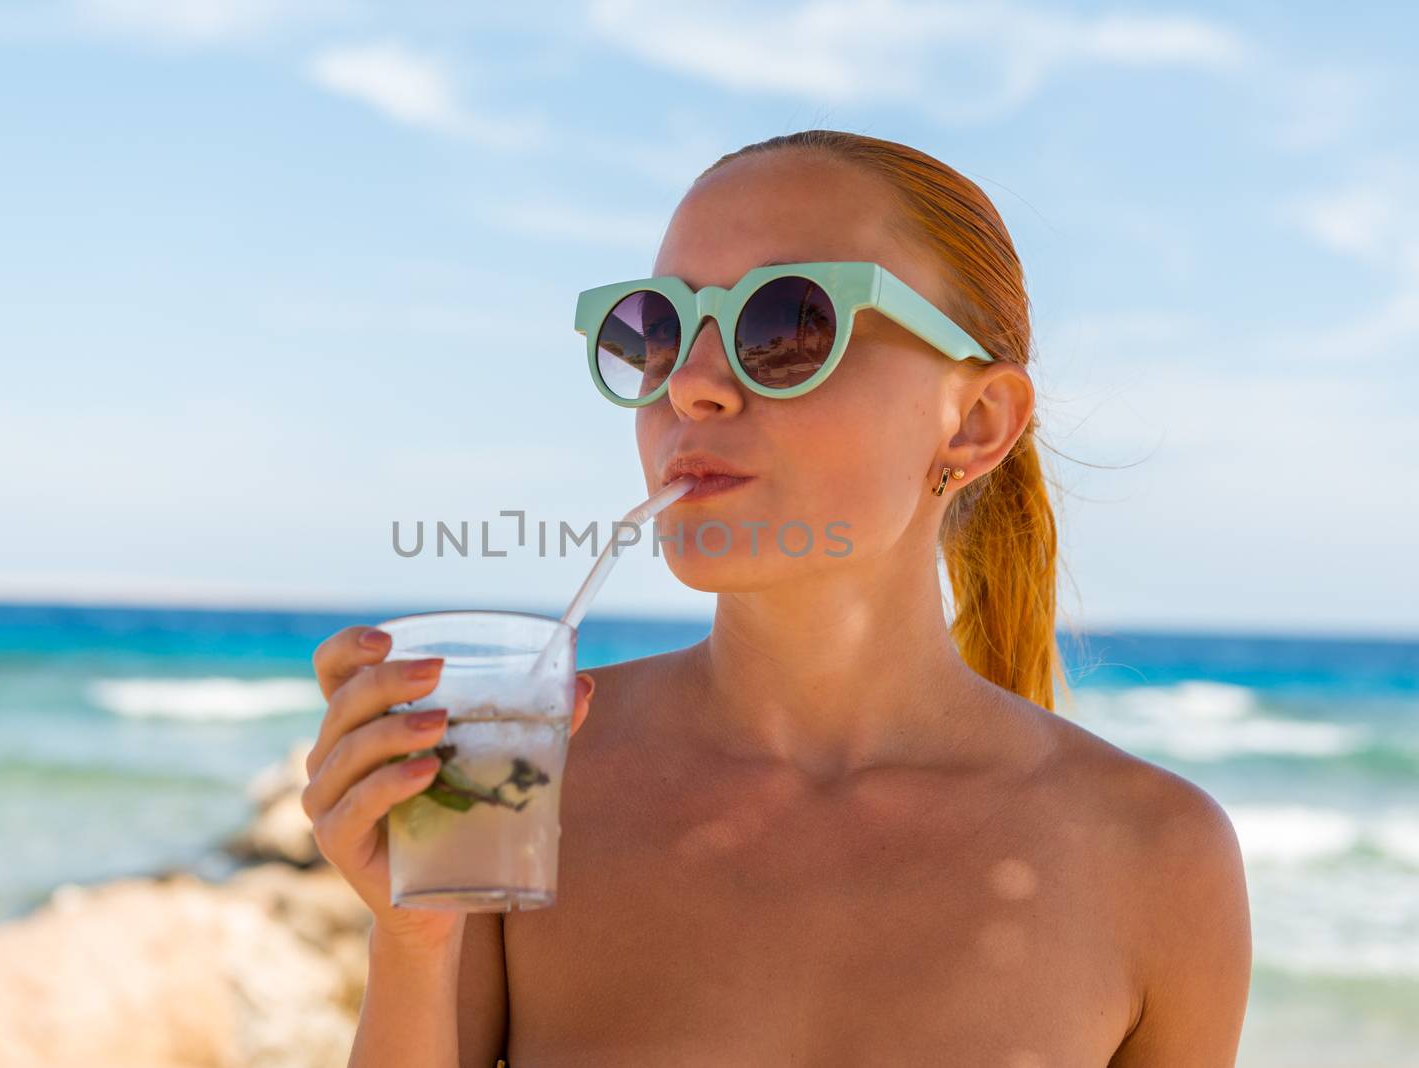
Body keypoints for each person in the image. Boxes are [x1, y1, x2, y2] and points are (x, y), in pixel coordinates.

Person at [301, 130, 1252, 1067]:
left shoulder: (1158, 858)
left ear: (974, 423)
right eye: (658, 333)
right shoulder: (526, 786)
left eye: (786, 327)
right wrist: (414, 944)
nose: (694, 389)